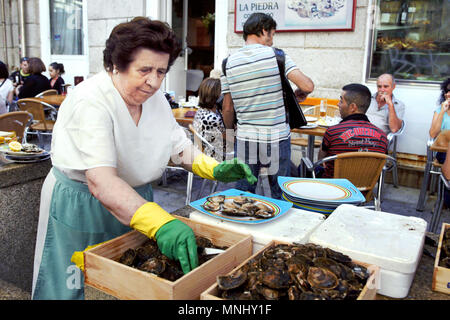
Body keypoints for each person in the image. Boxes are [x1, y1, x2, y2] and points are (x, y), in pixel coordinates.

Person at [31, 17, 257, 300]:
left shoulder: (155, 99)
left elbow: (176, 146)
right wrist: (160, 223)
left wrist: (214, 168)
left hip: (138, 204)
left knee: (129, 282)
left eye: (161, 71)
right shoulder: (91, 100)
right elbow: (100, 181)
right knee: (75, 284)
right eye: (145, 70)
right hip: (84, 203)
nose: (154, 81)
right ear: (116, 64)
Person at [221, 12, 314, 199]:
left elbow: (228, 108)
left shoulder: (227, 62)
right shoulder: (277, 56)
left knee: (243, 191)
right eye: (272, 34)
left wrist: (231, 132)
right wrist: (299, 94)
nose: (272, 40)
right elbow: (307, 86)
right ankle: (278, 225)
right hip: (276, 137)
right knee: (280, 192)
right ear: (264, 31)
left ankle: (242, 224)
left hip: (246, 138)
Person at [317, 83, 388, 178]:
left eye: (341, 101)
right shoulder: (383, 137)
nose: (338, 104)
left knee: (304, 167)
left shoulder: (333, 132)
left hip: (334, 189)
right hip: (363, 191)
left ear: (353, 107)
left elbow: (321, 162)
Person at [193, 77, 226, 162]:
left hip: (207, 151)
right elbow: (229, 137)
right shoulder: (212, 118)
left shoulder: (201, 111)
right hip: (218, 156)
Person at [428, 78, 450, 164]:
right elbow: (433, 134)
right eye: (446, 91)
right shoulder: (439, 111)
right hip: (444, 151)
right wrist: (442, 112)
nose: (448, 94)